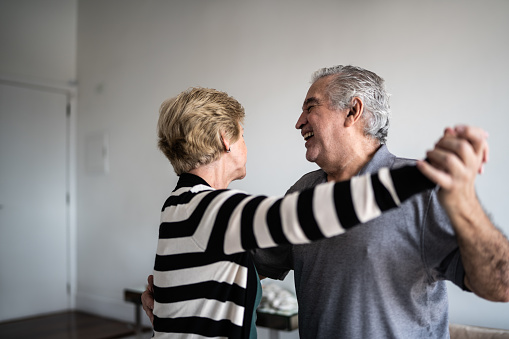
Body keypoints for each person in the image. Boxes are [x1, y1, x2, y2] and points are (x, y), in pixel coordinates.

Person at [149, 86, 444, 338]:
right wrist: (418, 177)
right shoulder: (213, 208)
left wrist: (163, 298)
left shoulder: (178, 206)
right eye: (242, 134)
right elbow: (305, 214)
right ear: (226, 139)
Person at [251, 65, 509, 338]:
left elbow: (501, 286)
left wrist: (465, 202)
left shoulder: (422, 189)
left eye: (311, 107)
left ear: (353, 111)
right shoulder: (303, 191)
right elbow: (258, 264)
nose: (299, 121)